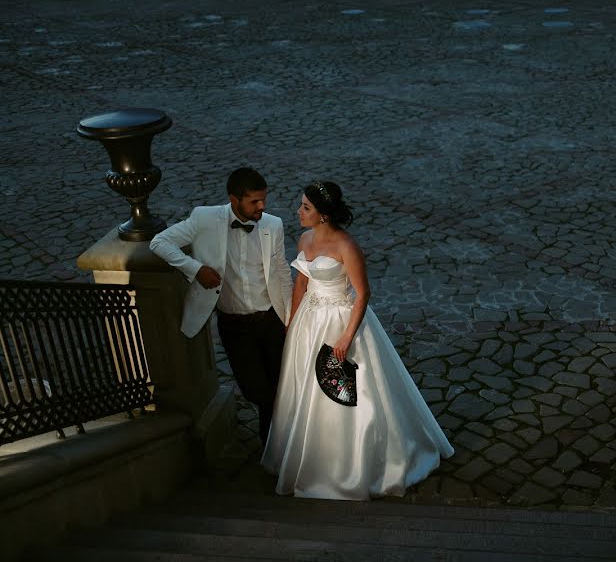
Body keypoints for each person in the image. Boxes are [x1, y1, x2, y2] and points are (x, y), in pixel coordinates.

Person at [261, 180, 453, 500]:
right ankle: (308, 458)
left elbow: (363, 293)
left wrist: (346, 336)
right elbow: (300, 285)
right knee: (304, 386)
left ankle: (353, 465)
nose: (298, 211)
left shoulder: (346, 246)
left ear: (323, 214)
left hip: (340, 320)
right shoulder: (305, 239)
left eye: (305, 207)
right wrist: (291, 323)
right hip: (309, 322)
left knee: (351, 390)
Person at [149, 167, 292, 444]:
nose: (262, 206)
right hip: (234, 325)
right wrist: (195, 268)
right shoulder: (204, 219)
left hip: (271, 319)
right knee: (256, 390)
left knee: (278, 388)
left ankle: (274, 451)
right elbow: (160, 241)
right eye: (254, 201)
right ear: (234, 198)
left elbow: (282, 272)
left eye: (264, 199)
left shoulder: (273, 225)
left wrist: (289, 318)